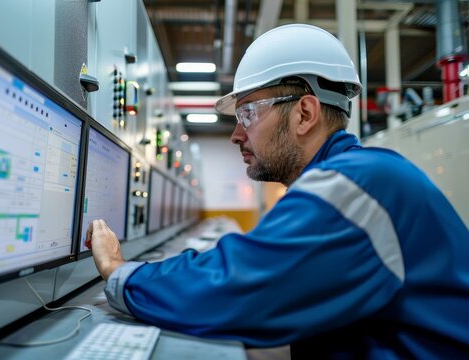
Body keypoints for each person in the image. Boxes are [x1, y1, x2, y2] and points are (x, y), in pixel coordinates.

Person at [86, 24, 469, 358]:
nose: (237, 134)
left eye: (248, 113)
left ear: (305, 113)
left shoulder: (357, 185)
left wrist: (121, 272)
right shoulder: (356, 178)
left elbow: (236, 286)